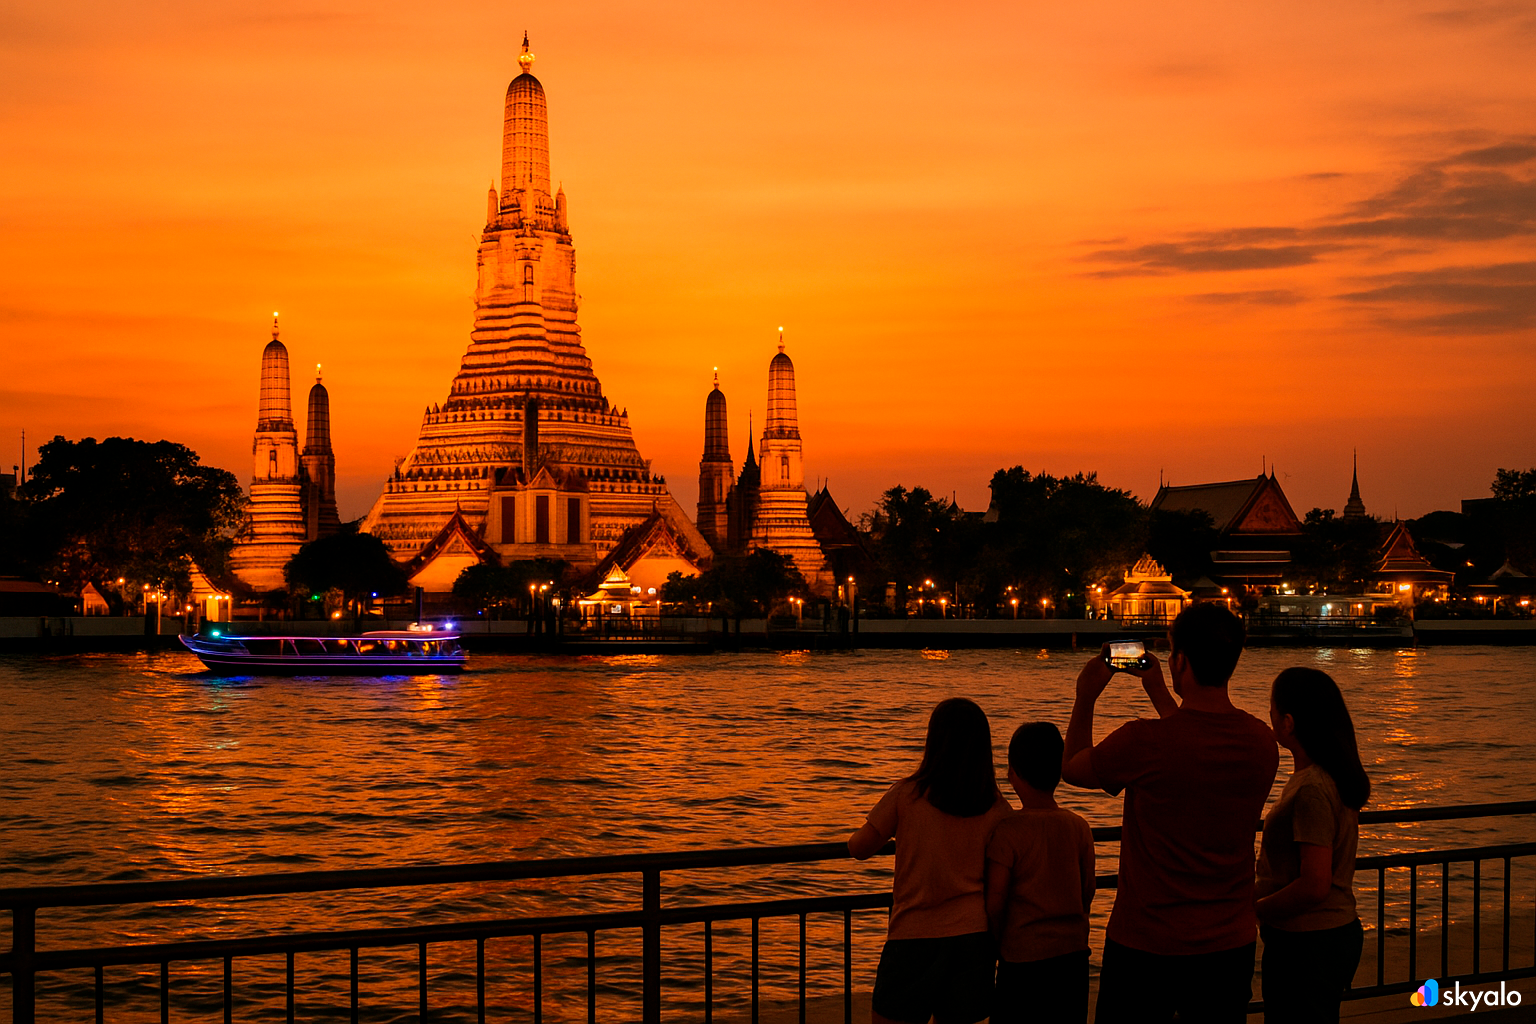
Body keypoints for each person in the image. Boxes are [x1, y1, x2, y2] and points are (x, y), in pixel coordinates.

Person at [1061, 603, 1279, 1024]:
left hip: (1147, 942)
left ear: (1179, 660)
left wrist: (1085, 694)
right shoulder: (1261, 742)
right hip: (1229, 941)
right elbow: (1193, 745)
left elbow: (1072, 768)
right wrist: (1160, 691)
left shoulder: (1144, 741)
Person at [849, 697, 1013, 1024]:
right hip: (972, 939)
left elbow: (859, 847)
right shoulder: (997, 807)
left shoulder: (907, 794)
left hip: (913, 937)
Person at [1255, 667, 1370, 1023]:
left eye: (1271, 708)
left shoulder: (1310, 789)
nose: (1269, 716)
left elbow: (1314, 884)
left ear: (1288, 722)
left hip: (1309, 942)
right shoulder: (1329, 776)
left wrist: (1253, 909)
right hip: (1329, 935)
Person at [985, 722, 1095, 1023]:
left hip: (1022, 959)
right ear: (1059, 771)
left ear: (1013, 775)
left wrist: (994, 946)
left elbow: (995, 903)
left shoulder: (1008, 832)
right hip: (1072, 956)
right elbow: (1088, 890)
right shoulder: (1078, 826)